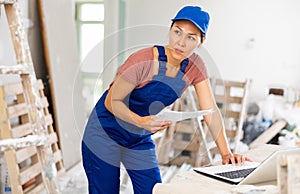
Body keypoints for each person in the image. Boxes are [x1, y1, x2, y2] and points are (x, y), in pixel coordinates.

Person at [81, 5, 252, 194]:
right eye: (177, 32)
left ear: (201, 42)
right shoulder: (143, 61)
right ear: (170, 30)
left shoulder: (195, 67)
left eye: (191, 37)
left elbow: (211, 111)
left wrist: (226, 153)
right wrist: (141, 121)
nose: (181, 42)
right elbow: (111, 102)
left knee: (154, 190)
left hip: (137, 138)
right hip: (104, 134)